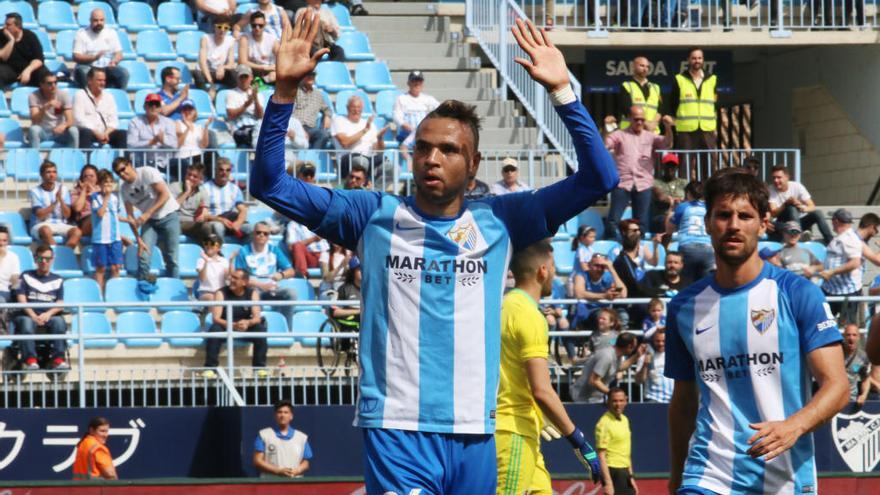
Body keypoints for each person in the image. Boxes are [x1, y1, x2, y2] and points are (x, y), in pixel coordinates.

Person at [251, 15, 617, 494]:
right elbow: (269, 183)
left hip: (475, 433)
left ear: (474, 163)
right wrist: (283, 96)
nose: (432, 158)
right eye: (423, 147)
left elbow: (600, 178)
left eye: (448, 149)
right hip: (397, 429)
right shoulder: (372, 215)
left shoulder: (503, 219)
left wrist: (563, 92)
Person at [665, 169, 849, 495]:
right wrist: (677, 475)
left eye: (744, 215)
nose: (733, 225)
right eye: (723, 215)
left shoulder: (798, 294)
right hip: (707, 476)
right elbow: (682, 404)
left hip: (785, 478)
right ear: (707, 223)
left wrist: (794, 426)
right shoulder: (683, 307)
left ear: (764, 224)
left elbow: (837, 386)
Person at [495, 240, 601, 495]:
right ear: (543, 270)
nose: (554, 273)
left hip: (519, 428)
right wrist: (578, 440)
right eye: (553, 267)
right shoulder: (530, 316)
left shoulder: (501, 306)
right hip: (513, 432)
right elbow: (542, 390)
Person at [604, 106, 673, 238]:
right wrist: (607, 128)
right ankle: (612, 244)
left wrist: (668, 127)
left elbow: (667, 143)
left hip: (643, 183)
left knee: (642, 222)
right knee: (613, 219)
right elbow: (606, 144)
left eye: (642, 119)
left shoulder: (650, 136)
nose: (640, 122)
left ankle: (638, 249)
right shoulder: (620, 134)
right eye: (636, 119)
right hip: (623, 182)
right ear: (629, 119)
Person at [115, 156, 181, 280]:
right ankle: (143, 287)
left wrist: (147, 213)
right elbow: (130, 217)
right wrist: (138, 239)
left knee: (172, 258)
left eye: (123, 169)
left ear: (130, 164)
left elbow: (165, 194)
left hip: (169, 214)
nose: (122, 174)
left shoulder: (147, 172)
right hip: (150, 221)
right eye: (118, 173)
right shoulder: (124, 189)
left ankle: (174, 286)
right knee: (143, 256)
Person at [202, 268, 268, 377]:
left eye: (235, 278)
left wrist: (248, 322)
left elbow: (257, 317)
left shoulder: (252, 293)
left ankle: (259, 368)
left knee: (260, 329)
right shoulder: (221, 293)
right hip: (226, 325)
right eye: (231, 277)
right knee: (215, 329)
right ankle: (210, 368)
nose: (231, 280)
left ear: (244, 282)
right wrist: (232, 325)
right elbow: (216, 318)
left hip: (245, 326)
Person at [13, 245, 68, 370]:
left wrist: (48, 314)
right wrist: (32, 315)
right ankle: (30, 359)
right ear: (35, 259)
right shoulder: (24, 276)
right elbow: (20, 298)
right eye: (40, 259)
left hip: (48, 316)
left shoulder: (58, 279)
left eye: (47, 259)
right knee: (26, 323)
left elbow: (60, 302)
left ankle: (58, 359)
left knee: (59, 322)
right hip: (27, 314)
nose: (43, 262)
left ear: (52, 260)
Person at [233, 221, 297, 323]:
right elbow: (239, 277)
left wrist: (281, 274)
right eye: (258, 232)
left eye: (265, 233)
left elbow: (291, 271)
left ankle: (286, 329)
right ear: (253, 234)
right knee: (254, 295)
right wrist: (261, 285)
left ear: (268, 236)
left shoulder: (274, 250)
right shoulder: (244, 251)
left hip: (273, 288)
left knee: (291, 294)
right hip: (252, 289)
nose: (262, 235)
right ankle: (258, 328)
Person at [670, 47, 718, 178]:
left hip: (707, 129)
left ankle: (707, 194)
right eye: (694, 58)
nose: (697, 60)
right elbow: (673, 103)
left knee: (708, 164)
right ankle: (685, 195)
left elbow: (714, 104)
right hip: (686, 130)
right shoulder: (679, 79)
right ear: (688, 60)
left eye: (699, 58)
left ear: (703, 60)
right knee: (685, 165)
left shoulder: (712, 79)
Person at [767, 165, 832, 244]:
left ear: (787, 177)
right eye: (774, 178)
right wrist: (786, 204)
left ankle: (830, 242)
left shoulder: (797, 186)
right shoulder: (771, 189)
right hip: (781, 223)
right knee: (791, 208)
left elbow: (812, 206)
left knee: (817, 213)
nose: (776, 180)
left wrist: (801, 207)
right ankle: (799, 239)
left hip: (798, 222)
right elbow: (774, 213)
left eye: (779, 177)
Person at [819, 208, 863, 325]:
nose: (831, 222)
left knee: (847, 328)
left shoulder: (849, 238)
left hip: (847, 291)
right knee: (824, 323)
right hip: (831, 289)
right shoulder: (839, 237)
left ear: (836, 221)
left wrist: (832, 272)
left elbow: (855, 262)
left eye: (832, 219)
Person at [331, 95, 389, 180]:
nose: (356, 110)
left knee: (391, 167)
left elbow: (379, 150)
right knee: (361, 161)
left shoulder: (370, 125)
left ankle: (374, 189)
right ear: (347, 108)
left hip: (370, 159)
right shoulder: (339, 120)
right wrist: (364, 130)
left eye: (359, 107)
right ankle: (363, 186)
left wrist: (380, 138)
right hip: (348, 159)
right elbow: (345, 143)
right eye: (353, 107)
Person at [666, 181, 714, 282]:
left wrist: (671, 210)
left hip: (688, 246)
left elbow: (669, 229)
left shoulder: (683, 207)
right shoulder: (710, 207)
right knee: (706, 287)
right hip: (708, 248)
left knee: (687, 285)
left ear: (688, 193)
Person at [570, 333, 638, 403]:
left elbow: (620, 367)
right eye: (634, 347)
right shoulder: (607, 357)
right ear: (629, 346)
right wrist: (614, 394)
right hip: (582, 399)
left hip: (595, 399)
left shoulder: (617, 355)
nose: (634, 350)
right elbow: (594, 381)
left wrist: (637, 355)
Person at [90, 170, 129, 292]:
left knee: (116, 267)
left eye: (110, 183)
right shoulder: (95, 198)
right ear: (99, 185)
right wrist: (106, 197)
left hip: (115, 238)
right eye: (105, 184)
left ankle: (114, 293)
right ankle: (99, 295)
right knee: (101, 268)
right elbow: (100, 214)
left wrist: (129, 220)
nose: (108, 187)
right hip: (101, 239)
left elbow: (115, 215)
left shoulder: (115, 198)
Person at [29, 160, 82, 248]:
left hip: (60, 223)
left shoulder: (63, 189)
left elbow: (67, 215)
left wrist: (61, 200)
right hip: (41, 224)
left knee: (77, 232)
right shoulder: (35, 191)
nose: (52, 175)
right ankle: (56, 256)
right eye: (48, 172)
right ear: (42, 175)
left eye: (54, 172)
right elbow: (40, 215)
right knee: (46, 230)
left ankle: (64, 255)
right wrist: (55, 203)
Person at [253, 400, 313, 478]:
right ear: (275, 415)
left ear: (291, 416)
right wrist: (277, 471)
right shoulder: (264, 435)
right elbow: (257, 461)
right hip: (270, 484)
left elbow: (306, 463)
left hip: (294, 484)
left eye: (286, 412)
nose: (282, 415)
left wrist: (296, 471)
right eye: (279, 412)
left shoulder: (301, 437)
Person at [605, 55, 663, 134]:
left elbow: (660, 109)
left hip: (652, 132)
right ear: (634, 67)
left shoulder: (656, 87)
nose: (645, 69)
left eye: (647, 67)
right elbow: (627, 109)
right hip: (631, 132)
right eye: (642, 66)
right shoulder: (627, 86)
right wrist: (645, 124)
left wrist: (653, 124)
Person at [595, 388, 637, 495]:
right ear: (608, 402)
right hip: (613, 471)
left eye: (621, 400)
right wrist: (608, 483)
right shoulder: (603, 423)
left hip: (624, 472)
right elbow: (601, 456)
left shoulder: (625, 419)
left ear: (626, 401)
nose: (618, 404)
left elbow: (626, 452)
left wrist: (631, 477)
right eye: (614, 401)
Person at [72, 9, 127, 89]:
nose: (99, 23)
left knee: (123, 73)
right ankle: (89, 96)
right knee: (82, 71)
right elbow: (76, 56)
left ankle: (118, 97)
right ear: (90, 21)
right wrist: (93, 58)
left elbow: (119, 53)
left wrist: (114, 61)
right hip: (89, 66)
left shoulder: (111, 33)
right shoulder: (81, 34)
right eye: (96, 20)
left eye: (101, 20)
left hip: (107, 67)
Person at [73, 68, 127, 149]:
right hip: (89, 132)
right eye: (99, 80)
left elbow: (114, 120)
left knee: (122, 134)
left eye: (104, 80)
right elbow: (79, 119)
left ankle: (123, 160)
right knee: (85, 133)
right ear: (90, 80)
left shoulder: (109, 97)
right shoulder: (80, 95)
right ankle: (84, 160)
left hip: (105, 132)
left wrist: (106, 133)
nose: (102, 83)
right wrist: (96, 132)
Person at [393, 71, 440, 162]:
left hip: (423, 133)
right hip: (407, 133)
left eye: (419, 81)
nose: (417, 83)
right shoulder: (402, 98)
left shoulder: (428, 99)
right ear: (408, 83)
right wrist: (404, 125)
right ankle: (409, 161)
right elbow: (396, 116)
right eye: (414, 80)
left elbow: (439, 109)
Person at [201, 157, 252, 239]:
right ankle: (220, 251)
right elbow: (204, 215)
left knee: (250, 228)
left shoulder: (235, 189)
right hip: (215, 220)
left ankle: (244, 251)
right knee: (218, 227)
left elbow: (243, 210)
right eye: (221, 170)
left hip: (231, 221)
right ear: (215, 170)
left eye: (228, 170)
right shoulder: (205, 188)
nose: (224, 173)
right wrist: (221, 220)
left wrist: (238, 223)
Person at [127, 93, 178, 174]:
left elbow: (174, 145)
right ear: (145, 106)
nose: (154, 107)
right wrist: (149, 143)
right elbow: (131, 145)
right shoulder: (135, 122)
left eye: (157, 104)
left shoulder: (169, 122)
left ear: (160, 108)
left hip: (164, 163)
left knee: (183, 164)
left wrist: (163, 141)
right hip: (142, 162)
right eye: (151, 104)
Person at [28, 72, 78, 149]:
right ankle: (35, 158)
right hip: (43, 132)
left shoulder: (63, 95)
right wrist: (46, 107)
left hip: (59, 133)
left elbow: (70, 120)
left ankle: (73, 157)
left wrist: (63, 126)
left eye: (55, 82)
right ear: (41, 85)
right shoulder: (34, 96)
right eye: (49, 83)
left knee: (73, 130)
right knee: (34, 129)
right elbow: (35, 121)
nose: (53, 86)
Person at [0, 13, 49, 87]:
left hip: (28, 68)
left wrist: (28, 70)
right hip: (9, 69)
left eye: (8, 25)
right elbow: (3, 57)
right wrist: (11, 41)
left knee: (45, 75)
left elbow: (39, 59)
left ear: (18, 26)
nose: (5, 27)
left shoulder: (30, 36)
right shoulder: (1, 35)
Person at [194, 17, 238, 93]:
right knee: (197, 74)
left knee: (232, 73)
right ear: (214, 27)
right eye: (219, 27)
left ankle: (235, 95)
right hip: (206, 72)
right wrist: (211, 83)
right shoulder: (206, 38)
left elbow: (231, 63)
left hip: (219, 73)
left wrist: (223, 67)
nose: (222, 30)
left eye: (226, 27)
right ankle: (205, 97)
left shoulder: (230, 40)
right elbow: (202, 63)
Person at [293, 70, 332, 149]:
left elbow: (327, 109)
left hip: (310, 129)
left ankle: (312, 159)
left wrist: (327, 116)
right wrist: (299, 129)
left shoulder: (318, 94)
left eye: (313, 75)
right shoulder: (294, 91)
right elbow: (288, 112)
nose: (310, 77)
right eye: (308, 75)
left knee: (324, 134)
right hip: (296, 127)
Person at [227, 64, 265, 147]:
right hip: (239, 128)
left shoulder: (258, 94)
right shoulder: (231, 94)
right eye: (241, 77)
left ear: (251, 77)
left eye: (246, 76)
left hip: (255, 127)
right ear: (237, 78)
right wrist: (246, 105)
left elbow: (260, 116)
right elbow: (231, 115)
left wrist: (255, 100)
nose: (243, 79)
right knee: (257, 136)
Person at [170, 162, 208, 243]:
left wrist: (202, 215)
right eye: (189, 174)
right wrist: (187, 192)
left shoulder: (202, 191)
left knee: (207, 227)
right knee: (173, 229)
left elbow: (205, 211)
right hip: (175, 220)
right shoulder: (174, 186)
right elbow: (172, 207)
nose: (190, 178)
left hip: (191, 223)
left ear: (200, 180)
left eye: (195, 177)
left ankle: (210, 253)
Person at [650, 153, 686, 234]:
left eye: (673, 166)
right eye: (668, 165)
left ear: (677, 168)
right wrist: (674, 200)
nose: (670, 168)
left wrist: (680, 201)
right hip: (661, 216)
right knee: (669, 219)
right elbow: (661, 198)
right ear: (663, 167)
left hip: (680, 215)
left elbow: (691, 198)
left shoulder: (683, 183)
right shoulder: (655, 183)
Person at [240, 11, 279, 84]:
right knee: (243, 69)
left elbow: (281, 58)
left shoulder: (272, 39)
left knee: (278, 73)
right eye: (254, 25)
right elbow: (242, 61)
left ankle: (261, 82)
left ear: (265, 25)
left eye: (260, 25)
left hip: (269, 70)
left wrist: (273, 68)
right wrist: (263, 67)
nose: (257, 28)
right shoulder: (245, 38)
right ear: (250, 25)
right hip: (252, 70)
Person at [636, 330, 674, 404]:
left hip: (673, 401)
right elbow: (638, 381)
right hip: (653, 400)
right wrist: (645, 365)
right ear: (652, 341)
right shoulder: (644, 356)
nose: (661, 343)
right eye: (657, 341)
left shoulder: (674, 356)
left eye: (663, 341)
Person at [176, 99, 212, 175]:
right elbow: (178, 145)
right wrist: (187, 129)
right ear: (181, 111)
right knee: (209, 156)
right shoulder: (177, 124)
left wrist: (206, 127)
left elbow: (204, 146)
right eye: (185, 109)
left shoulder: (199, 127)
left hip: (198, 156)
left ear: (195, 111)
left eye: (190, 109)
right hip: (184, 156)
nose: (187, 111)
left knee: (211, 155)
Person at [842, 324, 872, 407]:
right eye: (848, 335)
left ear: (858, 337)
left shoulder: (862, 356)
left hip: (852, 400)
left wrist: (864, 395)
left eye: (854, 335)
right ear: (843, 336)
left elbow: (865, 379)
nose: (851, 338)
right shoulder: (835, 352)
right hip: (833, 400)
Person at [196, 234, 228, 301]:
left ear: (219, 248)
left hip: (220, 293)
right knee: (212, 298)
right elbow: (202, 278)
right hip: (205, 292)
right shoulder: (201, 260)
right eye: (206, 243)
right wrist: (206, 261)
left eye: (212, 244)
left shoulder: (224, 261)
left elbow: (227, 278)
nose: (209, 246)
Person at [0, 226, 20, 303]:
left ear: (7, 241)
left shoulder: (13, 257)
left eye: (4, 241)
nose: (1, 243)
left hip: (4, 291)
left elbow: (15, 279)